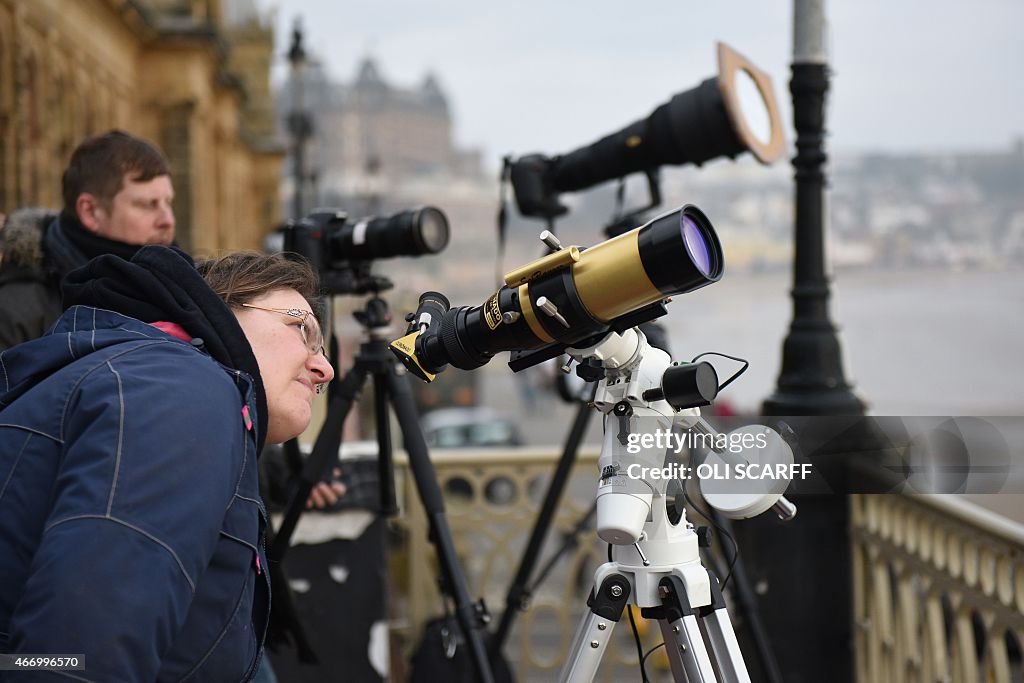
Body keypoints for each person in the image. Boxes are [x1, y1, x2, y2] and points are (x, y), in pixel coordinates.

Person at [0, 246, 334, 681]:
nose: (324, 367)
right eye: (300, 327)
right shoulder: (184, 389)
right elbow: (80, 653)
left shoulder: (145, 378)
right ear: (220, 309)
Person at [0, 129, 175, 351]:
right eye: (147, 204)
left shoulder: (189, 292)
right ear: (90, 211)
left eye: (168, 202)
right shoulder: (17, 313)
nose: (167, 220)